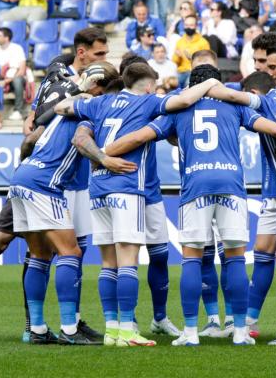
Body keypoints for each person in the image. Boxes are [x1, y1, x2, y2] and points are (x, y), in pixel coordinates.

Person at [101, 64, 276, 346]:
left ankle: (189, 333)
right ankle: (239, 331)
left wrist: (104, 153)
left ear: (191, 85)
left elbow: (139, 136)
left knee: (192, 258)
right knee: (235, 258)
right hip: (231, 184)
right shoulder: (234, 107)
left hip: (196, 185)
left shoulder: (177, 111)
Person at [53, 63, 223, 346]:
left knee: (108, 263)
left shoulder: (100, 102)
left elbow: (62, 108)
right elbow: (182, 100)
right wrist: (211, 83)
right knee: (129, 262)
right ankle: (128, 331)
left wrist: (81, 92)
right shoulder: (149, 102)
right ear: (147, 86)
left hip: (97, 189)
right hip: (127, 185)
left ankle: (112, 331)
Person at [8, 75, 127, 345]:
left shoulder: (59, 114)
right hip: (44, 185)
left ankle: (37, 329)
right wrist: (104, 159)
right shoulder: (90, 109)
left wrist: (27, 170)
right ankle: (70, 330)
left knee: (39, 255)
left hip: (22, 176)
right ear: (101, 90)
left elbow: (27, 142)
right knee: (70, 253)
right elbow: (80, 142)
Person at [173, 14, 211, 88]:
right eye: (186, 25)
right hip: (181, 71)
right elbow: (174, 62)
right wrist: (177, 56)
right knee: (172, 82)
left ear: (196, 26)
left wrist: (192, 58)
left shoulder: (203, 42)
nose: (188, 27)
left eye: (191, 25)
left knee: (189, 82)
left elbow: (207, 62)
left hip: (195, 71)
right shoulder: (180, 42)